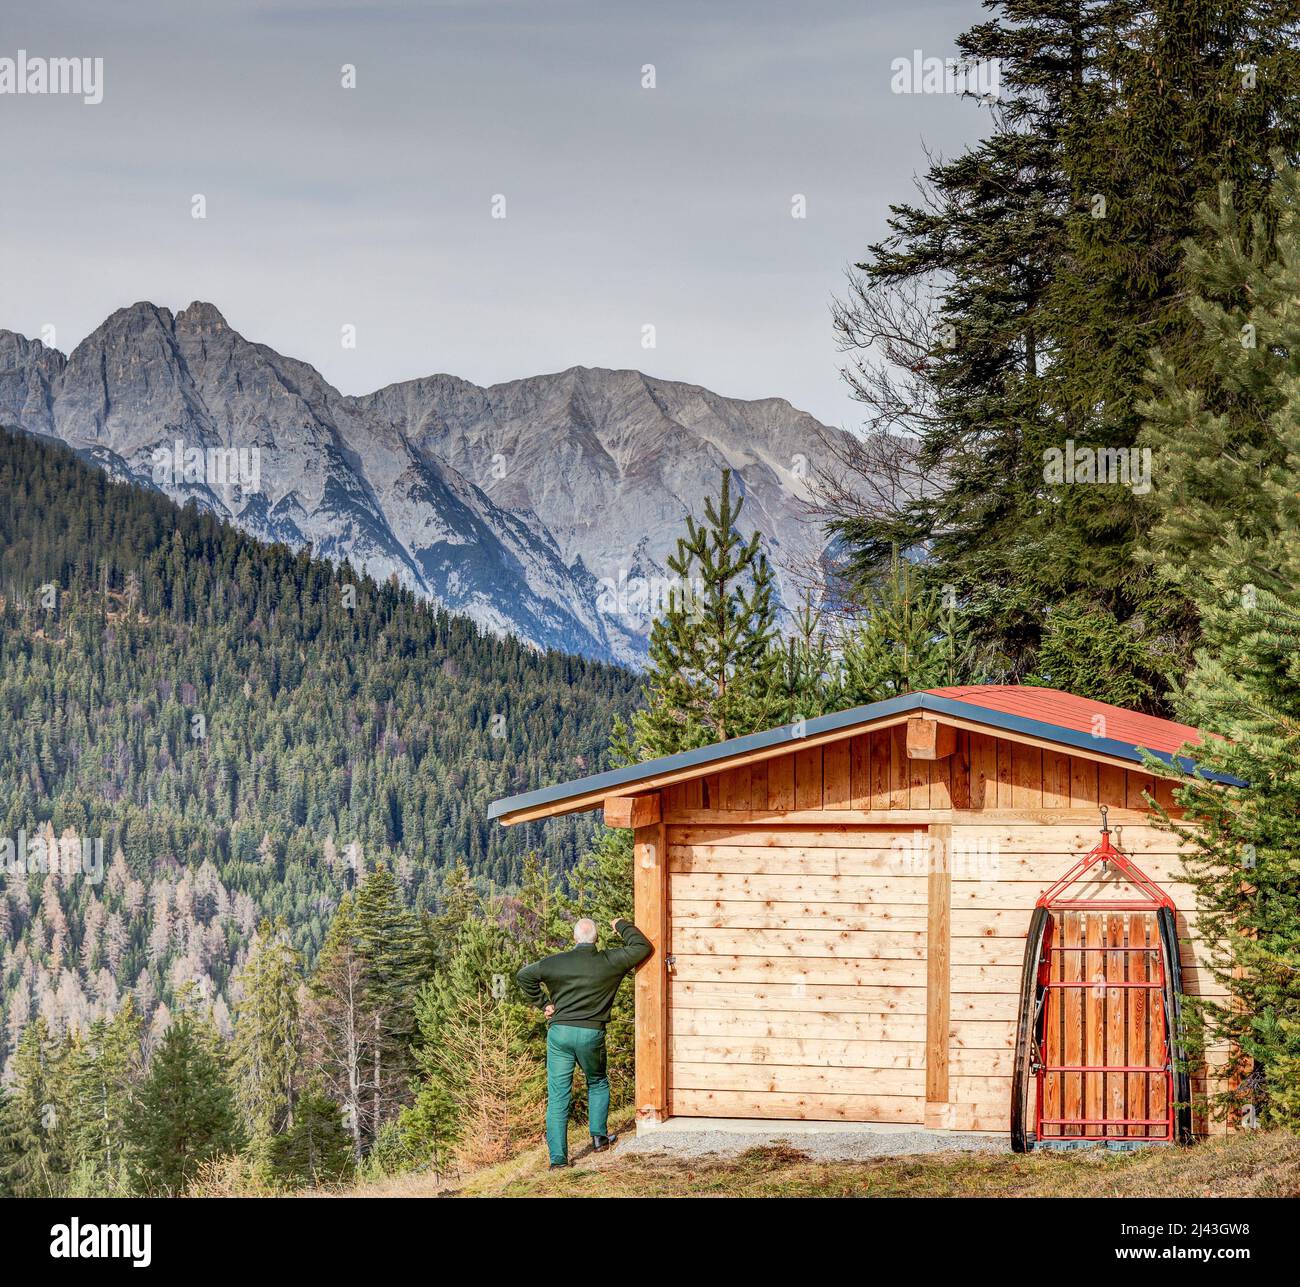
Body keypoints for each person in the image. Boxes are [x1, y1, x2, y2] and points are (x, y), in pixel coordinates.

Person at [516, 917, 652, 1169]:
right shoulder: (610, 961)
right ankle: (599, 1138)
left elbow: (524, 976)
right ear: (596, 939)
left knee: (558, 1097)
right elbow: (642, 947)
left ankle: (558, 1161)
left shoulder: (555, 962)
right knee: (597, 1081)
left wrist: (543, 1003)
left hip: (560, 1033)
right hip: (591, 1033)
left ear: (575, 938)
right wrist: (621, 924)